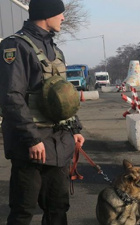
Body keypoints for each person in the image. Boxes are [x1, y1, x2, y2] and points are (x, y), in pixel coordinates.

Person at [0, 0, 85, 224]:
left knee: (58, 209)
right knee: (23, 211)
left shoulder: (56, 51)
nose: (63, 18)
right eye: (60, 13)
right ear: (47, 14)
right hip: (31, 147)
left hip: (59, 143)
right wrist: (31, 139)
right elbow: (11, 97)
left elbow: (63, 96)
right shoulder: (15, 46)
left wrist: (73, 129)